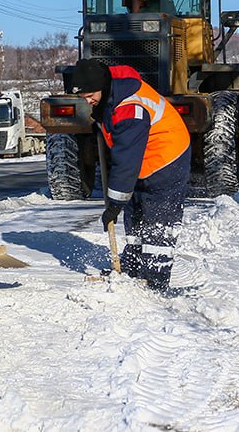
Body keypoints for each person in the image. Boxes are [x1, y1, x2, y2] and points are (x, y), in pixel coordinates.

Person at [70, 58, 191, 293]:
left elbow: (125, 162)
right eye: (83, 97)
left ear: (103, 87)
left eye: (90, 95)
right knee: (135, 214)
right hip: (145, 156)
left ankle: (155, 280)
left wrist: (114, 205)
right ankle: (133, 268)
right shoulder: (111, 90)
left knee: (158, 221)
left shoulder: (130, 108)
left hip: (167, 157)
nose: (88, 101)